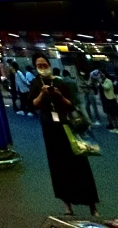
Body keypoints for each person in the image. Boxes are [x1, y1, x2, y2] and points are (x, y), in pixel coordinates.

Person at [29, 52, 99, 217]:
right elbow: (33, 104)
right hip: (50, 129)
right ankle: (67, 206)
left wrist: (59, 96)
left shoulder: (61, 82)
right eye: (39, 66)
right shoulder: (35, 84)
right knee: (58, 166)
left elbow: (71, 105)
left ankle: (92, 205)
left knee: (80, 163)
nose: (42, 68)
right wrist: (42, 93)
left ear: (49, 64)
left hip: (68, 125)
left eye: (44, 64)